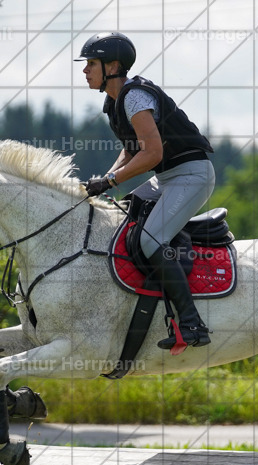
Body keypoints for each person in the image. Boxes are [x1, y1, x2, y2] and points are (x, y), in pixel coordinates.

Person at [76, 32, 215, 349]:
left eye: (91, 63)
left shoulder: (134, 97)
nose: (85, 70)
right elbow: (131, 150)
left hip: (191, 175)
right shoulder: (115, 101)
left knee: (150, 240)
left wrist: (110, 182)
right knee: (122, 220)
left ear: (112, 66)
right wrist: (105, 178)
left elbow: (152, 154)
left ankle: (193, 325)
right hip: (168, 179)